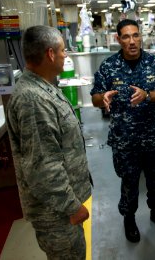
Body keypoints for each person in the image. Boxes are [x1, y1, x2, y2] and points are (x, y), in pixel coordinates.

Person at [6, 25, 92, 259]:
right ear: (51, 54)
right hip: (57, 213)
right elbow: (44, 166)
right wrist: (72, 208)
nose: (66, 55)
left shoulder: (43, 87)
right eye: (63, 50)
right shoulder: (33, 100)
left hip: (61, 208)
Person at [90, 19, 155, 243]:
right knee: (129, 182)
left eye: (136, 35)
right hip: (125, 140)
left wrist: (148, 95)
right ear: (118, 39)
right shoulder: (109, 66)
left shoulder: (154, 63)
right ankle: (129, 218)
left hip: (154, 137)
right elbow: (95, 98)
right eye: (126, 37)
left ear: (141, 37)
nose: (132, 41)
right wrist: (103, 98)